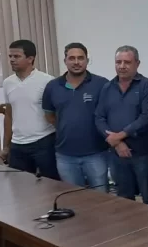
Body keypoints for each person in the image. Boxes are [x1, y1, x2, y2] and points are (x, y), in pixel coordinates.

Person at [95, 46, 148, 206]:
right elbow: (99, 117)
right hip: (116, 153)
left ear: (137, 63)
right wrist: (116, 142)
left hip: (142, 153)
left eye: (127, 62)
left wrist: (120, 135)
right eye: (118, 62)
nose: (122, 66)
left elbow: (146, 117)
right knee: (124, 198)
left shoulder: (147, 86)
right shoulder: (107, 88)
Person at [42, 43, 109, 191]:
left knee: (102, 199)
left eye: (80, 58)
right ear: (65, 60)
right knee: (74, 199)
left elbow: (109, 115)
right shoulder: (52, 86)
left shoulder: (102, 84)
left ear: (87, 60)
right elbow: (49, 116)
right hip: (65, 155)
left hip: (96, 153)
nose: (76, 62)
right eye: (71, 58)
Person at [1, 39, 59, 180]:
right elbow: (9, 115)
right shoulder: (8, 83)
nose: (12, 60)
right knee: (20, 188)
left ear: (30, 58)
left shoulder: (47, 81)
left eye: (17, 56)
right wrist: (6, 146)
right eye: (10, 56)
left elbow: (56, 114)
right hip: (17, 144)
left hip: (43, 142)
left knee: (51, 186)